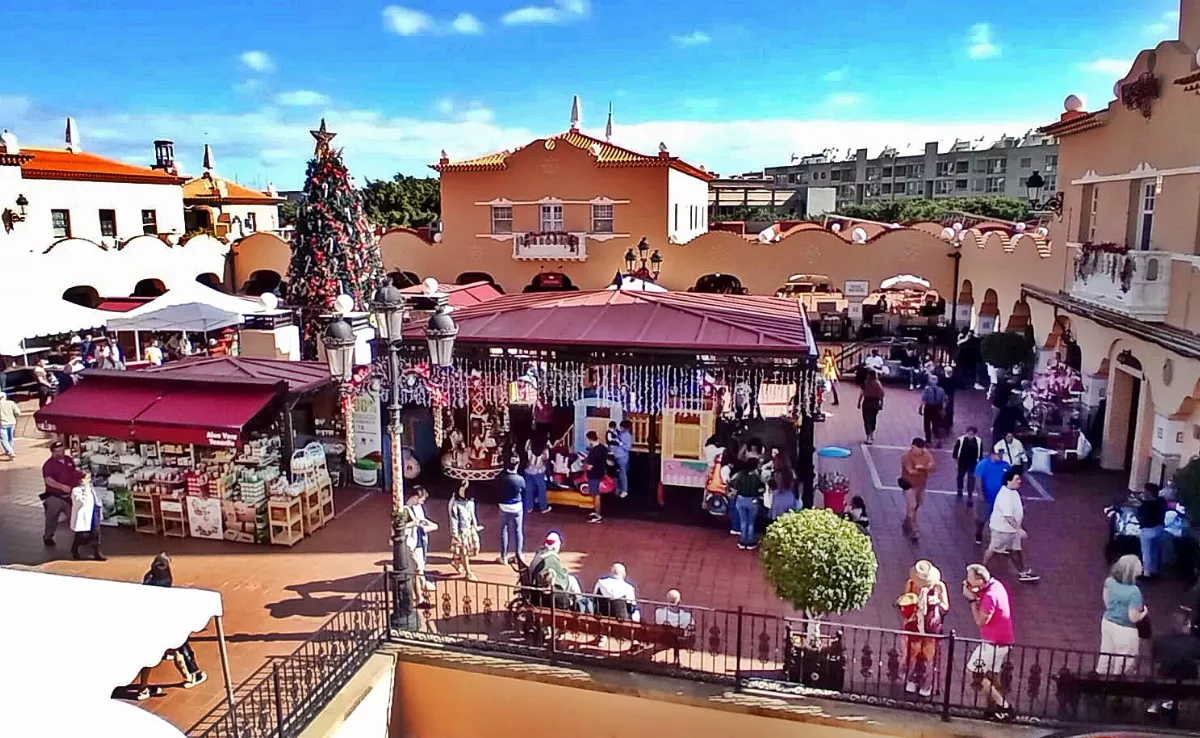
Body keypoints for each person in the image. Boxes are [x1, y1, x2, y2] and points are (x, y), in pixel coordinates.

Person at [133, 553, 207, 698]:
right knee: (179, 647)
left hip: (147, 621)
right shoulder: (165, 579)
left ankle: (143, 688)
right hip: (163, 622)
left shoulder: (148, 577)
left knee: (150, 656)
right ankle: (191, 676)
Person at [962, 564, 1014, 721]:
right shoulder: (996, 585)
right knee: (992, 674)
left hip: (992, 644)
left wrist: (971, 600)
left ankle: (1003, 705)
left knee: (974, 674)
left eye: (970, 579)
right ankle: (993, 710)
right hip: (1003, 642)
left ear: (979, 580)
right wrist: (976, 593)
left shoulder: (990, 596)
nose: (967, 581)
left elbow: (980, 620)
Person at [898, 560, 949, 697]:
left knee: (928, 655)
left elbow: (945, 607)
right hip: (914, 623)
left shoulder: (939, 587)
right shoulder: (911, 584)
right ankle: (912, 679)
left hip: (931, 624)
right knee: (913, 653)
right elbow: (905, 601)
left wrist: (936, 603)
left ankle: (927, 683)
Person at [983, 470, 1040, 582]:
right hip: (1002, 530)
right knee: (994, 549)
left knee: (1016, 550)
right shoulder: (1005, 496)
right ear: (1009, 481)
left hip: (1011, 530)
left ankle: (1022, 572)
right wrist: (1019, 530)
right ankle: (982, 567)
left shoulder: (1013, 492)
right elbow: (1008, 516)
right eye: (1017, 479)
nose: (1020, 481)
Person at [1095, 554, 1148, 676]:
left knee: (1106, 654)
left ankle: (1099, 682)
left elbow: (1107, 602)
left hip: (1108, 622)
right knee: (1124, 661)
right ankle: (1116, 685)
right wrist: (1144, 613)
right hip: (1125, 629)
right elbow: (1133, 617)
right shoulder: (1134, 592)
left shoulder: (1109, 582)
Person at [402, 488, 439, 600]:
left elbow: (422, 521)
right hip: (411, 542)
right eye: (422, 499)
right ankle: (419, 596)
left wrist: (429, 525)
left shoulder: (417, 507)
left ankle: (423, 584)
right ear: (415, 497)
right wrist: (415, 523)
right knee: (416, 570)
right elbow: (401, 526)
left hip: (419, 539)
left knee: (420, 566)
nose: (423, 502)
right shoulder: (405, 510)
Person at [41, 439, 79, 546]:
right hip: (54, 496)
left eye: (62, 450)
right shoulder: (48, 465)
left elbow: (73, 472)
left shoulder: (68, 460)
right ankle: (48, 536)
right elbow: (48, 480)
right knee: (52, 518)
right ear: (52, 452)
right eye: (57, 451)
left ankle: (79, 536)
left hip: (69, 496)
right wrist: (62, 487)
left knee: (73, 515)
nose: (60, 453)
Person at [899, 437, 934, 542]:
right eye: (917, 448)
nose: (919, 451)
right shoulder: (906, 457)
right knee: (912, 505)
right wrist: (924, 469)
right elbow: (910, 471)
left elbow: (933, 466)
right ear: (913, 446)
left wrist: (923, 468)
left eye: (921, 449)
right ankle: (914, 530)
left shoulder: (926, 454)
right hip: (909, 485)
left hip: (921, 485)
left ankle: (908, 519)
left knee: (918, 504)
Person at [973, 448, 1010, 545]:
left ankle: (996, 538)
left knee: (999, 519)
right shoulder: (983, 464)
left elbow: (1008, 479)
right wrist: (980, 493)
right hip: (986, 497)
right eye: (999, 454)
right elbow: (978, 479)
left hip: (1000, 498)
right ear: (992, 454)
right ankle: (978, 533)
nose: (1001, 456)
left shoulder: (1005, 465)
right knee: (982, 517)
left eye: (1002, 454)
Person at [447, 480, 481, 581]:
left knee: (475, 549)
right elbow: (453, 519)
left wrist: (475, 526)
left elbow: (472, 514)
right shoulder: (454, 503)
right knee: (464, 551)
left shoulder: (470, 501)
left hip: (471, 529)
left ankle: (456, 559)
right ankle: (468, 572)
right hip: (461, 531)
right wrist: (455, 534)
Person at [730, 455, 766, 550]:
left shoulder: (740, 474)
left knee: (743, 521)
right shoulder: (756, 476)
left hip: (741, 499)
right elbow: (762, 487)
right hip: (752, 500)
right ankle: (750, 542)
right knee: (751, 521)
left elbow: (732, 483)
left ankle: (742, 541)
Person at [69, 470, 105, 561]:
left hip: (94, 512)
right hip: (85, 515)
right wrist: (85, 489)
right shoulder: (76, 490)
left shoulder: (91, 487)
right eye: (86, 478)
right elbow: (81, 502)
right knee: (83, 535)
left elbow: (96, 498)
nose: (89, 480)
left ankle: (97, 552)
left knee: (96, 533)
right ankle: (75, 548)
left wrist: (99, 506)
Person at [1137, 483, 1168, 579]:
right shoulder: (1162, 502)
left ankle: (1146, 573)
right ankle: (1154, 571)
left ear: (1148, 493)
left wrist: (1142, 502)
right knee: (1154, 550)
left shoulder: (1145, 506)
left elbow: (1140, 517)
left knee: (1146, 552)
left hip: (1147, 530)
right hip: (1160, 529)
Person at [498, 457, 525, 564]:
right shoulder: (520, 479)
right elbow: (523, 490)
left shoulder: (501, 478)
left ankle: (503, 556)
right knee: (518, 530)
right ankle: (518, 555)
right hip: (517, 506)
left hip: (504, 505)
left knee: (503, 531)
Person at [583, 430, 610, 523]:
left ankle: (598, 515)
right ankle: (596, 511)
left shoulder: (593, 452)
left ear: (590, 440)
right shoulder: (603, 448)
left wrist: (583, 465)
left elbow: (589, 467)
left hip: (594, 475)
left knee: (596, 495)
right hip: (600, 472)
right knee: (596, 494)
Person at [952, 426, 982, 503]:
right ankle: (960, 489)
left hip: (973, 463)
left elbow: (980, 452)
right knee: (960, 476)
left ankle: (970, 494)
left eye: (972, 434)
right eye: (969, 433)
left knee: (971, 478)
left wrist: (980, 462)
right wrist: (956, 462)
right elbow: (955, 452)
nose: (970, 435)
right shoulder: (961, 440)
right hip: (962, 462)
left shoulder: (978, 441)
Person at [522, 434, 551, 514]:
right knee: (541, 489)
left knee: (528, 488)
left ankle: (529, 507)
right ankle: (543, 507)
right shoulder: (544, 448)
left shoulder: (529, 442)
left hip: (528, 469)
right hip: (539, 470)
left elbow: (525, 452)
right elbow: (546, 459)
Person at [857, 371, 885, 445]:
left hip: (867, 401)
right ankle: (871, 434)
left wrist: (859, 402)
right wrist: (881, 404)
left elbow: (861, 393)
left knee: (867, 419)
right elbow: (881, 395)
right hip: (875, 402)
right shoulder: (878, 384)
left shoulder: (865, 383)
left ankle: (868, 435)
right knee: (873, 418)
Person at [919, 376, 947, 447]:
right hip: (937, 408)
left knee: (927, 424)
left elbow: (923, 400)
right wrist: (943, 409)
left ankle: (928, 441)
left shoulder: (927, 389)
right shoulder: (941, 390)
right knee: (936, 424)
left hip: (929, 407)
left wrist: (920, 408)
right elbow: (944, 400)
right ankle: (938, 440)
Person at [613, 420, 633, 499]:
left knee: (622, 474)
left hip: (623, 457)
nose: (620, 428)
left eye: (621, 426)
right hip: (617, 456)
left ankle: (624, 491)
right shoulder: (621, 434)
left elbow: (628, 447)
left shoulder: (627, 435)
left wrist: (620, 443)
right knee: (618, 474)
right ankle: (618, 489)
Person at [0, 392, 20, 460]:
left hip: (2, 424)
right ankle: (10, 450)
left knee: (3, 439)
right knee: (10, 438)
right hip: (12, 423)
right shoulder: (11, 403)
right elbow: (18, 412)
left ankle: (10, 452)